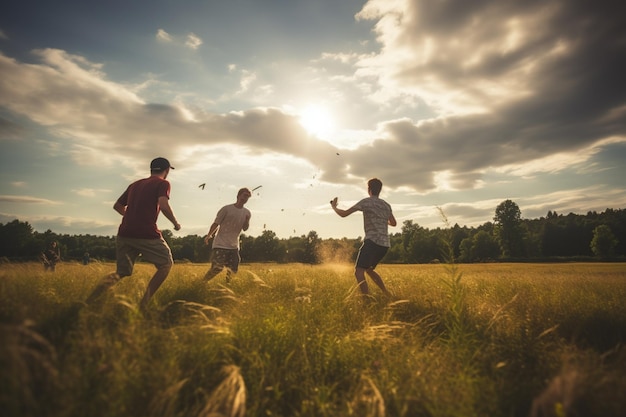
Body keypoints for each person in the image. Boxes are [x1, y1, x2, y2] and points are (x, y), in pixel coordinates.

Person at [86, 157, 181, 309]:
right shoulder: (163, 183)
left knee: (121, 272)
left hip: (125, 233)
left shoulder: (135, 185)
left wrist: (131, 217)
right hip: (146, 233)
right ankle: (143, 304)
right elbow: (163, 205)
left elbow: (117, 206)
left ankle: (89, 300)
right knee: (165, 264)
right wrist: (175, 223)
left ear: (151, 169)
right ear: (167, 170)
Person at [330, 178, 397, 298]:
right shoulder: (386, 205)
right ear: (380, 190)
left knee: (359, 271)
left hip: (372, 242)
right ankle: (387, 294)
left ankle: (367, 300)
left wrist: (334, 207)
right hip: (384, 245)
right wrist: (381, 220)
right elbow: (393, 223)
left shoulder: (366, 202)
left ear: (369, 189)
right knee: (369, 270)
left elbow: (344, 214)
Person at [203, 187, 252, 283]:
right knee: (217, 268)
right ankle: (202, 283)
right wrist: (209, 235)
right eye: (244, 195)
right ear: (238, 195)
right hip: (220, 244)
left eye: (248, 197)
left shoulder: (247, 213)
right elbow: (216, 223)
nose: (245, 198)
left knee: (233, 269)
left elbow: (245, 229)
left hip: (234, 246)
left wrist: (247, 220)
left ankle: (227, 288)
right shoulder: (226, 209)